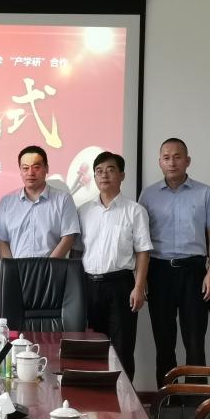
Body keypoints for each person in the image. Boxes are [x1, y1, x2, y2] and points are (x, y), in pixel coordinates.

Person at [138, 137, 210, 384]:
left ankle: (197, 400)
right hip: (159, 271)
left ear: (188, 161)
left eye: (177, 157)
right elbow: (140, 239)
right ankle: (168, 400)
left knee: (195, 340)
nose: (172, 162)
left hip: (193, 271)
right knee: (164, 341)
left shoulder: (204, 193)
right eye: (166, 158)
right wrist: (141, 277)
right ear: (160, 162)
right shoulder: (149, 195)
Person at [77, 151, 151, 381]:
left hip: (121, 285)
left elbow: (143, 251)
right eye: (99, 171)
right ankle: (94, 398)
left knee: (122, 347)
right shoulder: (84, 211)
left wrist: (139, 287)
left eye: (110, 170)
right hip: (89, 286)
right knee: (92, 347)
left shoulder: (135, 211)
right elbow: (77, 252)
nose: (104, 175)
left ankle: (125, 400)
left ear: (122, 175)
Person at [0, 145, 79, 259]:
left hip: (52, 267)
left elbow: (68, 237)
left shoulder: (63, 199)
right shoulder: (7, 202)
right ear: (20, 170)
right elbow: (2, 240)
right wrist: (12, 267)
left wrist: (48, 266)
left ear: (46, 168)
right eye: (25, 168)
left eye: (36, 167)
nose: (30, 173)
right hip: (17, 268)